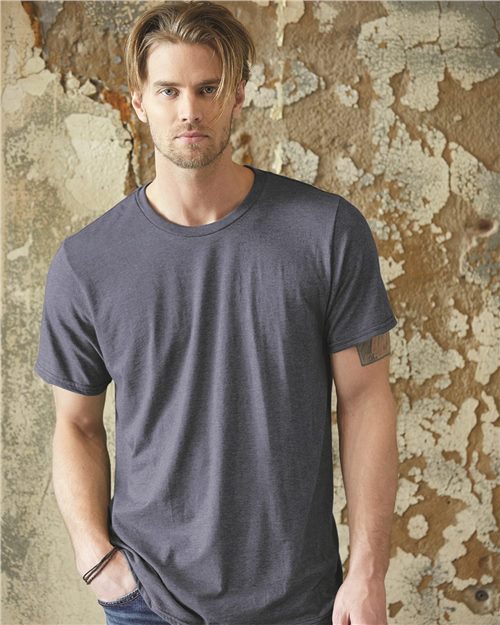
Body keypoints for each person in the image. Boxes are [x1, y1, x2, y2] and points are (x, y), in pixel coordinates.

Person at [33, 2, 399, 624]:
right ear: (139, 100)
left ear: (238, 95)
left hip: (300, 599)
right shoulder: (87, 263)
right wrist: (97, 563)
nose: (189, 110)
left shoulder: (327, 233)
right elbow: (76, 425)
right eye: (168, 90)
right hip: (148, 601)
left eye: (208, 89)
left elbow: (366, 399)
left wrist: (368, 572)